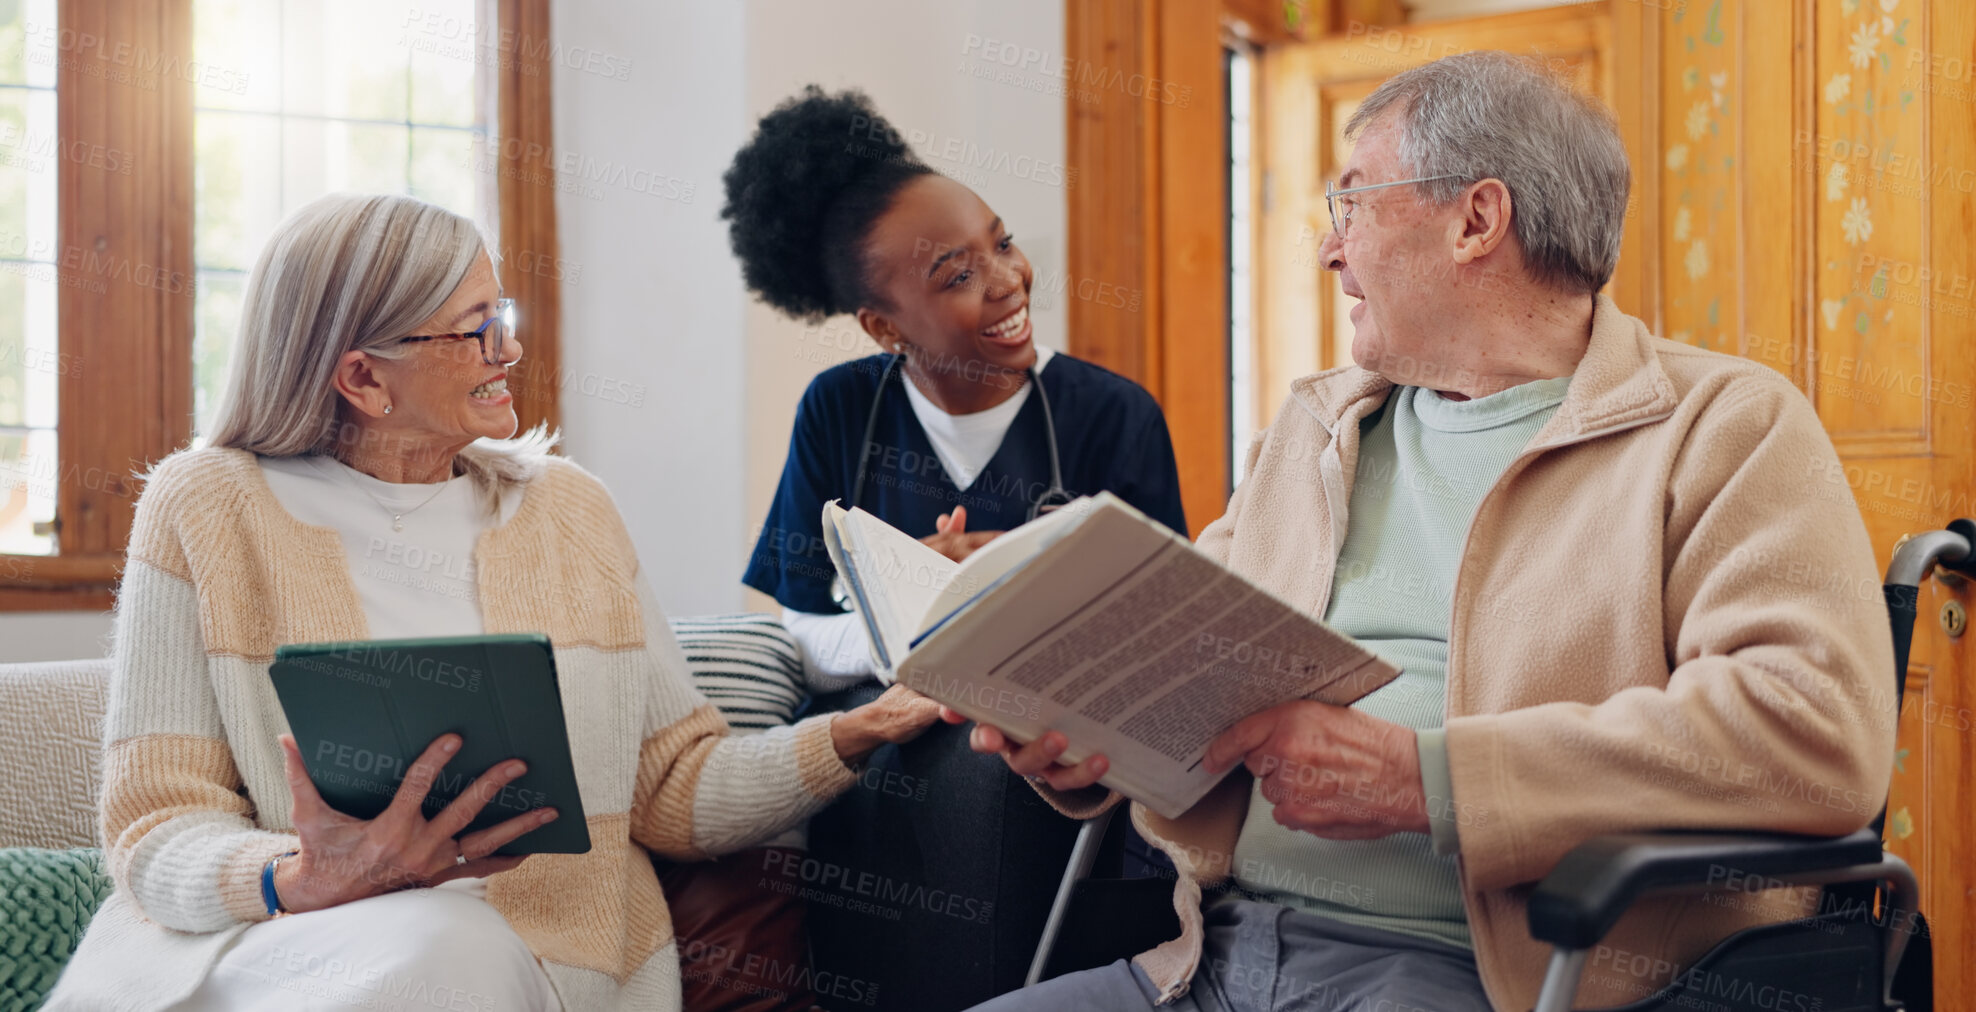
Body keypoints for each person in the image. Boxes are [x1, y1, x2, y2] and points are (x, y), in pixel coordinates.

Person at [956, 51, 1894, 1012]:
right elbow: (1182, 662)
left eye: (1352, 203)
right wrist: (1088, 734)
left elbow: (1812, 730)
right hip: (1211, 954)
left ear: (1476, 222)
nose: (1329, 249)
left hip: (1488, 978)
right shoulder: (1316, 428)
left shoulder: (1722, 425)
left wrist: (1432, 783)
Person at [42, 193, 943, 1012]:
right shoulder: (205, 507)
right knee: (442, 946)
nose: (509, 350)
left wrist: (857, 731)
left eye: (500, 315)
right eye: (474, 330)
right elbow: (157, 825)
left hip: (533, 968)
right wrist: (294, 877)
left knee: (455, 945)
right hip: (281, 951)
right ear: (362, 378)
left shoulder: (571, 510)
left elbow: (670, 787)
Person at [724, 87, 1187, 1009]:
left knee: (991, 781)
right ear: (884, 326)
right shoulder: (840, 410)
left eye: (1002, 243)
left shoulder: (1112, 415)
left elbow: (1169, 641)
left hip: (1060, 750)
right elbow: (804, 629)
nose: (1009, 281)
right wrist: (913, 635)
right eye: (955, 275)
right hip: (887, 734)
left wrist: (1008, 592)